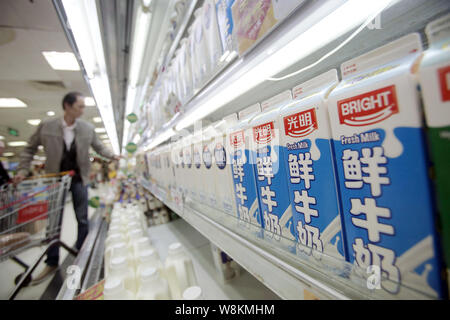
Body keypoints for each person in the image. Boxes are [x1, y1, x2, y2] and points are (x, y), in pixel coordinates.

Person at [15, 91, 121, 284]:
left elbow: (99, 147)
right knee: (54, 221)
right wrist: (22, 170)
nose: (83, 110)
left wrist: (113, 156)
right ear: (67, 106)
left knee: (82, 218)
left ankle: (81, 254)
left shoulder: (87, 128)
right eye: (80, 106)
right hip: (56, 180)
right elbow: (29, 148)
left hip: (79, 178)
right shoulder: (47, 127)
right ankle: (52, 260)